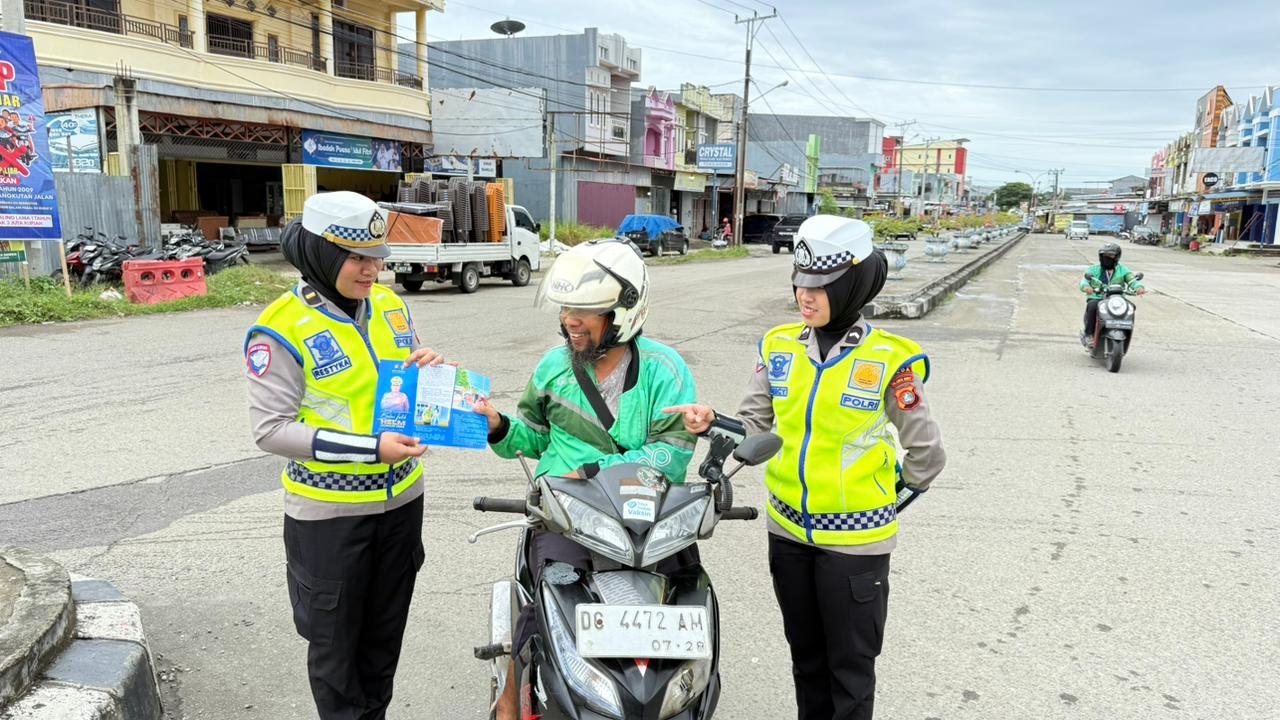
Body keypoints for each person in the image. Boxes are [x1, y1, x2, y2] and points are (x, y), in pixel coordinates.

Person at [666, 215, 947, 720]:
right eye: (800, 284)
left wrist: (890, 495)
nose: (806, 296)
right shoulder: (778, 348)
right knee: (807, 661)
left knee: (851, 670)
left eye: (821, 286)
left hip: (856, 548)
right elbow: (752, 423)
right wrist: (712, 423)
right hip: (788, 535)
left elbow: (927, 454)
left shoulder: (890, 359)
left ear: (853, 284)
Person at [473, 239, 698, 720]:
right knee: (547, 605)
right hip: (567, 514)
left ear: (623, 312)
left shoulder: (663, 369)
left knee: (687, 593)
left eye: (586, 310)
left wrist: (598, 470)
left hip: (647, 515)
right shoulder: (554, 369)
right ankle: (510, 702)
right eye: (567, 308)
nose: (570, 319)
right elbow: (532, 435)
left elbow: (673, 454)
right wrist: (498, 426)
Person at [245, 191, 446, 720]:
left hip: (402, 504)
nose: (372, 270)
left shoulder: (391, 305)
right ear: (322, 253)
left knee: (383, 645)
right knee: (336, 656)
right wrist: (369, 450)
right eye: (358, 258)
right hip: (329, 518)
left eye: (377, 257)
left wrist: (427, 369)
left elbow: (400, 385)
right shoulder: (280, 328)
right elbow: (271, 431)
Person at [1080, 242, 1145, 346]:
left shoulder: (1123, 269)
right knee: (1092, 306)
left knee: (1130, 307)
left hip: (1117, 298)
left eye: (1110, 255)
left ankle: (1126, 331)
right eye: (1104, 255)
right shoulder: (1094, 269)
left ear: (1117, 257)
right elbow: (1084, 280)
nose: (1107, 257)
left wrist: (1139, 287)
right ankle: (1089, 334)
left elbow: (1132, 280)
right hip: (1098, 297)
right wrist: (1086, 287)